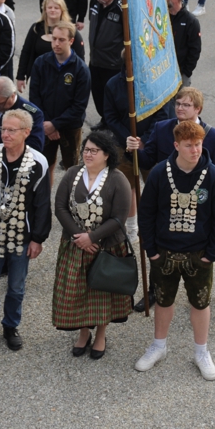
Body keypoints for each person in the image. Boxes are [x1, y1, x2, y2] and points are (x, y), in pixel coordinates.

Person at [135, 121, 215, 381]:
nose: (195, 150)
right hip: (164, 252)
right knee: (163, 300)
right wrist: (151, 250)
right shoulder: (159, 173)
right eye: (189, 145)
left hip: (199, 254)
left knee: (200, 302)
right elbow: (147, 213)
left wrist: (211, 254)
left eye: (198, 144)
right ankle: (159, 346)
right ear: (176, 146)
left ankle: (201, 351)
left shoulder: (212, 176)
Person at [0, 109, 51, 352]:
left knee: (16, 287)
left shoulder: (38, 162)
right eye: (3, 129)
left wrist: (38, 239)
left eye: (11, 130)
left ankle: (11, 326)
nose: (5, 134)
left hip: (22, 236)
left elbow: (42, 204)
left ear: (26, 132)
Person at [52, 130, 133, 359]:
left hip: (106, 247)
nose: (88, 154)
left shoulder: (118, 179)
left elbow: (119, 218)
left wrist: (93, 237)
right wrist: (80, 237)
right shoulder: (72, 173)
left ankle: (101, 335)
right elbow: (60, 208)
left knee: (102, 294)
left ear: (106, 154)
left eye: (94, 151)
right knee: (79, 293)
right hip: (76, 245)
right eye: (86, 150)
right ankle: (84, 332)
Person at [28, 21, 90, 180]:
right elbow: (34, 97)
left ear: (71, 41)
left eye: (61, 40)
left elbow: (79, 106)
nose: (56, 43)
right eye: (54, 38)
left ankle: (71, 196)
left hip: (70, 127)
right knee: (43, 166)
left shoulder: (81, 70)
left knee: (73, 170)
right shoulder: (40, 63)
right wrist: (46, 123)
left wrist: (55, 124)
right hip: (44, 124)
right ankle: (44, 197)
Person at [16, 0, 86, 92]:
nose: (53, 10)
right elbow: (26, 53)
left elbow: (80, 58)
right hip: (39, 78)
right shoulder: (36, 29)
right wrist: (20, 76)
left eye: (56, 8)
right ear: (45, 9)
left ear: (62, 10)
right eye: (50, 7)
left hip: (64, 80)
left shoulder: (71, 30)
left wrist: (80, 82)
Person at [87, 0, 122, 119]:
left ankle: (112, 121)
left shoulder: (121, 8)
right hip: (95, 59)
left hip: (112, 63)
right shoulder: (94, 1)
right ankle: (104, 119)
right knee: (97, 92)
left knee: (111, 96)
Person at [165, 0, 201, 86]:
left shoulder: (191, 21)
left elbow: (195, 50)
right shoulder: (162, 16)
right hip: (162, 73)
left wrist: (186, 73)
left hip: (180, 75)